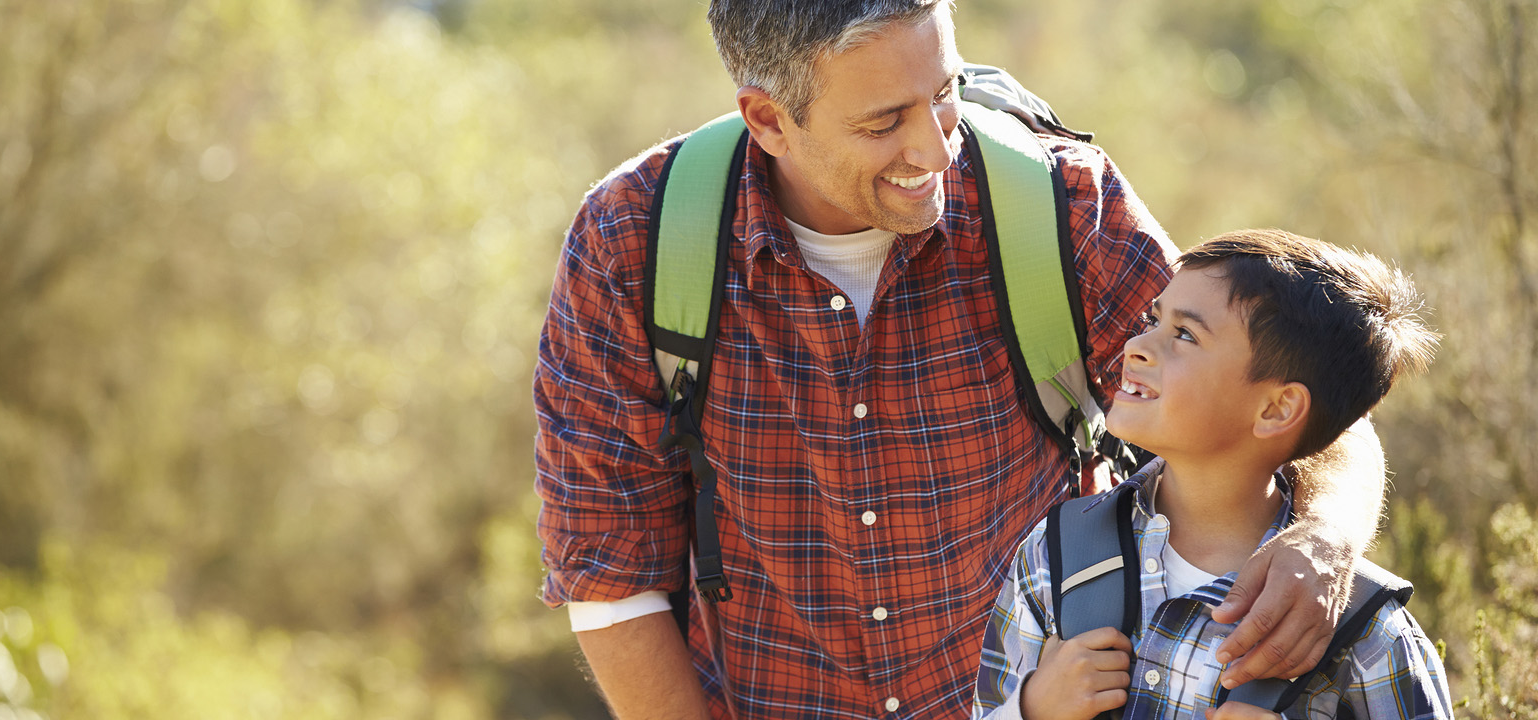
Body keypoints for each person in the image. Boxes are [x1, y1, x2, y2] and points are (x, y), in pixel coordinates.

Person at [534, 2, 1387, 717]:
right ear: (768, 120)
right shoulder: (632, 241)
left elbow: (1282, 393)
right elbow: (612, 578)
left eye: (942, 93)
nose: (939, 151)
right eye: (883, 123)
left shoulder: (1058, 201)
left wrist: (1327, 538)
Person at [971, 229, 1450, 720]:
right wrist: (1030, 710)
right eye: (1152, 319)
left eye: (1184, 335)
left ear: (1278, 408)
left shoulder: (1366, 637)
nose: (1135, 344)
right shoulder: (1056, 556)